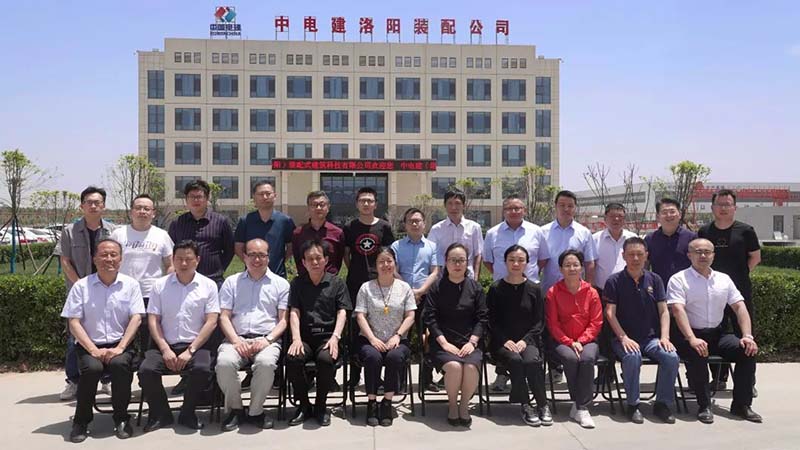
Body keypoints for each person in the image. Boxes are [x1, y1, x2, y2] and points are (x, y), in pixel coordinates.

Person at [667, 238, 761, 424]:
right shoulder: (678, 279)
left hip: (718, 334)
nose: (703, 255)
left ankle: (742, 405)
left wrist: (747, 336)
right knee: (698, 352)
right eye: (698, 252)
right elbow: (678, 310)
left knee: (747, 351)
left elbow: (740, 307)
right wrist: (692, 338)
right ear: (689, 255)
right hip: (689, 335)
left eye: (707, 252)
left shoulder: (724, 279)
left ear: (713, 255)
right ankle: (704, 406)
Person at [60, 239, 144, 443]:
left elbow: (136, 318)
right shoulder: (81, 286)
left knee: (120, 365)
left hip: (120, 344)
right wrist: (93, 350)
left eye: (114, 255)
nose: (109, 259)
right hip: (89, 345)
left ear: (121, 259)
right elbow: (73, 322)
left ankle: (121, 418)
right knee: (92, 369)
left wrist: (121, 347)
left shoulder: (131, 285)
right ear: (95, 259)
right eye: (104, 255)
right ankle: (81, 421)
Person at [138, 240, 220, 431]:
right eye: (179, 259)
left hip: (196, 345)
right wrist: (164, 348)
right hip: (164, 344)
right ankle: (161, 414)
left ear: (197, 260)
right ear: (173, 260)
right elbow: (153, 319)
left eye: (188, 259)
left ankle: (187, 413)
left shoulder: (208, 285)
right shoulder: (160, 285)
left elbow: (211, 321)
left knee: (202, 369)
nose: (183, 263)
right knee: (146, 370)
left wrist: (190, 350)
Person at [216, 238, 289, 431]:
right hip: (235, 338)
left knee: (266, 364)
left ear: (268, 257)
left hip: (267, 339)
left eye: (262, 255)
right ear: (244, 257)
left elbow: (283, 320)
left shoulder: (281, 284)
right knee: (224, 363)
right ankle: (236, 410)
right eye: (253, 255)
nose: (257, 260)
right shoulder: (231, 282)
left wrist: (268, 340)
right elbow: (224, 316)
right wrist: (235, 340)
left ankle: (256, 411)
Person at [603, 237, 679, 424]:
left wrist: (665, 337)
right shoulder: (614, 281)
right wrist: (623, 338)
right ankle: (633, 404)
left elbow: (664, 311)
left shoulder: (655, 279)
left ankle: (662, 404)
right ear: (624, 256)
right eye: (631, 254)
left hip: (651, 338)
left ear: (646, 255)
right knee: (632, 356)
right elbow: (610, 313)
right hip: (623, 338)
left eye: (639, 254)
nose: (635, 258)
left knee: (671, 357)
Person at [483, 194, 549, 392]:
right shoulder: (492, 233)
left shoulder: (536, 231)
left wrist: (524, 275)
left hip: (528, 290)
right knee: (503, 331)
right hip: (502, 291)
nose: (514, 211)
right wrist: (506, 275)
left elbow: (542, 259)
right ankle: (502, 375)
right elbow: (488, 261)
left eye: (518, 208)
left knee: (526, 331)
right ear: (503, 211)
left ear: (524, 210)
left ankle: (525, 379)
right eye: (509, 208)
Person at [55, 186, 116, 400]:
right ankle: (73, 381)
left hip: (107, 291)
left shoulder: (112, 231)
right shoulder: (69, 231)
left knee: (107, 334)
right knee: (75, 338)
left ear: (103, 206)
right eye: (89, 202)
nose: (93, 206)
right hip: (78, 291)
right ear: (82, 206)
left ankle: (107, 380)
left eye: (97, 202)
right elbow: (65, 261)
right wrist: (81, 285)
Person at [698, 189, 761, 391]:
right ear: (712, 207)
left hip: (739, 293)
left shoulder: (746, 231)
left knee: (746, 335)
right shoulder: (705, 231)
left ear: (735, 207)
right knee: (714, 335)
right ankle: (719, 378)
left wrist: (739, 276)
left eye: (727, 204)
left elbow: (755, 257)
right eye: (720, 204)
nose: (723, 208)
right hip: (712, 294)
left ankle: (748, 383)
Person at [286, 239, 352, 427]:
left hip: (328, 337)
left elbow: (342, 312)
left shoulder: (337, 283)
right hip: (305, 338)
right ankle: (304, 406)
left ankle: (321, 406)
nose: (314, 262)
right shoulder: (297, 283)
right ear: (303, 262)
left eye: (318, 258)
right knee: (293, 359)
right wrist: (296, 338)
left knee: (325, 359)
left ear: (326, 260)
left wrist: (335, 337)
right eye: (310, 259)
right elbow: (294, 311)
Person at [423, 243, 488, 427]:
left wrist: (473, 342)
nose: (457, 264)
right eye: (453, 260)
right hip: (443, 342)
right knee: (454, 367)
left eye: (461, 260)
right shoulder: (437, 287)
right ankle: (452, 405)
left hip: (469, 341)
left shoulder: (475, 287)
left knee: (470, 367)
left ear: (467, 263)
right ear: (446, 262)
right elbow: (429, 318)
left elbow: (483, 318)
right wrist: (444, 343)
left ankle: (464, 405)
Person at [486, 245, 551, 427]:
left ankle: (542, 404)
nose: (516, 264)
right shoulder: (496, 289)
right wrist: (505, 340)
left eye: (521, 260)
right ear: (505, 262)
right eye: (512, 260)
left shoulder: (534, 289)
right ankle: (525, 405)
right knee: (515, 360)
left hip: (528, 341)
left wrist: (524, 341)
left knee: (531, 361)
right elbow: (491, 321)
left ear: (527, 263)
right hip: (502, 343)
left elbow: (539, 322)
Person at [354, 247, 416, 427]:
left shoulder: (404, 288)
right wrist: (372, 339)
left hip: (397, 340)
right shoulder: (366, 288)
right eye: (381, 261)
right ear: (375, 265)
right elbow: (360, 316)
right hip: (370, 339)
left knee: (394, 357)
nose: (385, 265)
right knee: (372, 357)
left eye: (389, 261)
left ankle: (387, 402)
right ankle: (372, 402)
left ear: (395, 263)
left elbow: (410, 316)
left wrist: (397, 336)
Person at [344, 187, 395, 387]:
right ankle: (355, 374)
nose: (366, 204)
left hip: (380, 285)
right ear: (357, 203)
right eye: (362, 200)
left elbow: (389, 255)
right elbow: (346, 255)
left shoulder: (384, 227)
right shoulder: (350, 227)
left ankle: (376, 375)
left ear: (375, 204)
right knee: (356, 327)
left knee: (378, 326)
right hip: (355, 284)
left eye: (370, 200)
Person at [111, 194, 174, 355]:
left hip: (150, 293)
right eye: (138, 208)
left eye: (147, 208)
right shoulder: (118, 234)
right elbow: (110, 262)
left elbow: (170, 264)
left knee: (148, 335)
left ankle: (145, 366)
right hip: (122, 293)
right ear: (131, 211)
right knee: (123, 334)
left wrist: (166, 288)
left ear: (153, 213)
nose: (142, 211)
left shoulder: (162, 235)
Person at [545, 250, 602, 429]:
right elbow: (553, 324)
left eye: (575, 265)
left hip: (588, 341)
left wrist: (582, 341)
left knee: (587, 358)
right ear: (560, 269)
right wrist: (570, 342)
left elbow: (596, 322)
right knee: (570, 358)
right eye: (567, 265)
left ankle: (580, 406)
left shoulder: (591, 292)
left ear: (582, 268)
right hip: (562, 341)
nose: (572, 268)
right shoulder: (553, 292)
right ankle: (581, 406)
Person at [391, 208, 440, 391]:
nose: (414, 224)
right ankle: (400, 381)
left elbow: (434, 271)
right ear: (405, 224)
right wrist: (409, 291)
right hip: (401, 298)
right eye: (410, 221)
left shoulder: (432, 246)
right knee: (401, 336)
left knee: (427, 338)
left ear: (424, 224)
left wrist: (420, 291)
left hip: (425, 298)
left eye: (418, 220)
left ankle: (426, 380)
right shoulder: (396, 246)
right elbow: (393, 270)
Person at [168, 179, 235, 288]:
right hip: (184, 281)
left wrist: (220, 268)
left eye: (199, 197)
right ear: (186, 199)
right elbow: (170, 249)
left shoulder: (220, 221)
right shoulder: (177, 223)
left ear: (207, 198)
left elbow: (230, 249)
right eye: (192, 197)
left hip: (213, 279)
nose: (195, 200)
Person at [540, 190, 597, 296]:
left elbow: (589, 263)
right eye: (562, 205)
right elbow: (539, 263)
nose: (566, 209)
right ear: (555, 206)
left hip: (575, 292)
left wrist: (589, 288)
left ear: (575, 208)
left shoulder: (584, 233)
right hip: (549, 291)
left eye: (570, 206)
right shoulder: (542, 232)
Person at [234, 180, 296, 278]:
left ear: (275, 196)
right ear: (254, 197)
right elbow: (238, 247)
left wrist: (281, 261)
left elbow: (291, 247)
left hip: (278, 275)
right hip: (251, 276)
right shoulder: (245, 221)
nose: (265, 197)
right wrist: (251, 263)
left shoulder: (285, 221)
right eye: (261, 194)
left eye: (268, 194)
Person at [428, 189, 484, 280]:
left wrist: (476, 278)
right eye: (450, 203)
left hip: (468, 278)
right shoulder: (436, 229)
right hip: (443, 278)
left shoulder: (474, 228)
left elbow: (478, 254)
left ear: (464, 205)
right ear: (445, 205)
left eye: (457, 203)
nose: (453, 207)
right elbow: (430, 255)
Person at [644, 197, 697, 285]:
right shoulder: (650, 239)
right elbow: (645, 266)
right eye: (664, 212)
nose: (669, 215)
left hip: (686, 287)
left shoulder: (691, 238)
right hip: (659, 288)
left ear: (679, 214)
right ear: (658, 217)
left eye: (672, 211)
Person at [292, 190, 345, 277]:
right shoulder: (298, 233)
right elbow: (298, 259)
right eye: (314, 205)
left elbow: (338, 260)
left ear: (328, 207)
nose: (318, 208)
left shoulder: (337, 233)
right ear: (308, 208)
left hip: (330, 281)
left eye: (322, 204)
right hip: (305, 281)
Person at [592, 203, 637, 294]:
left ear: (624, 220)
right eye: (612, 216)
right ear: (605, 219)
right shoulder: (595, 239)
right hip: (602, 291)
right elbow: (591, 265)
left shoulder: (633, 238)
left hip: (629, 290)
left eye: (620, 216)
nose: (616, 219)